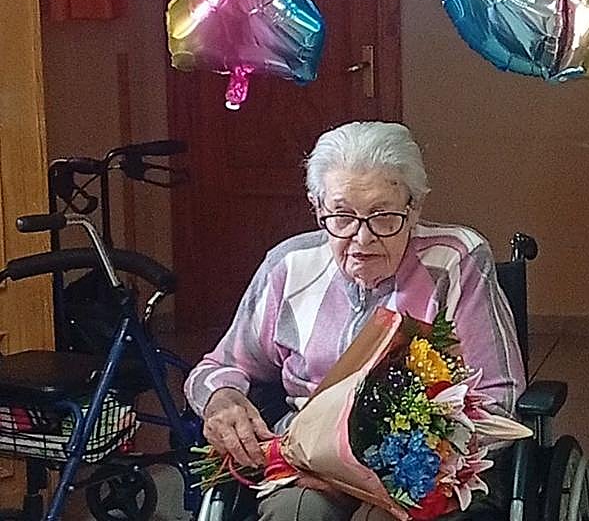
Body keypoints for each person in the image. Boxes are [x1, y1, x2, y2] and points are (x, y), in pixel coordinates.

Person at [185, 122, 526, 521]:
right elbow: (219, 367)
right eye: (342, 216)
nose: (362, 239)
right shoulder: (289, 266)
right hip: (310, 456)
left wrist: (382, 465)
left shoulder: (456, 260)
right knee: (297, 514)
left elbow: (498, 398)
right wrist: (221, 400)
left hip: (424, 460)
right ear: (317, 207)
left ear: (414, 208)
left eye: (384, 217)